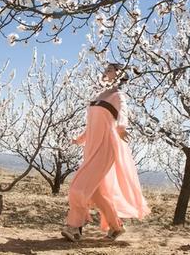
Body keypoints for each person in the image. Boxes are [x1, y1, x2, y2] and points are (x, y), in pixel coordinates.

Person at [61, 63, 149, 242]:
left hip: (106, 145)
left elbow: (122, 114)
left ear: (121, 74)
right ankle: (116, 227)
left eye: (111, 68)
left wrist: (122, 127)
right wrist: (79, 139)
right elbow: (92, 123)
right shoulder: (99, 95)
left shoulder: (118, 95)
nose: (106, 70)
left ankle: (74, 227)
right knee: (97, 193)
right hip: (91, 147)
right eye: (106, 68)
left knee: (78, 187)